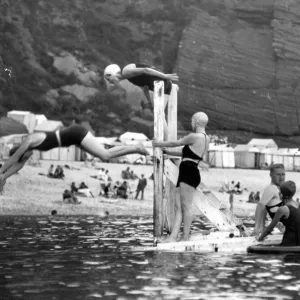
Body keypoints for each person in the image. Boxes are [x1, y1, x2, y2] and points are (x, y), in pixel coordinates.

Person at [0, 124, 149, 186]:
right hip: (73, 138)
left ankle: (136, 147)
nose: (27, 158)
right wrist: (4, 178)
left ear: (21, 151)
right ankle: (136, 148)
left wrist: (1, 172)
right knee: (105, 156)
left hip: (74, 134)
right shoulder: (29, 150)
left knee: (105, 154)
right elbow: (18, 164)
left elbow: (14, 159)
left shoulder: (29, 140)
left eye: (24, 156)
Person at [152, 112, 210, 242]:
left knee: (186, 206)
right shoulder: (206, 138)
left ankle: (185, 237)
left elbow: (175, 143)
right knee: (179, 206)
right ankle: (173, 237)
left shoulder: (194, 136)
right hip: (189, 172)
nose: (191, 123)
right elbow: (186, 152)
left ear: (196, 122)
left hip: (188, 172)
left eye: (191, 120)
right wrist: (168, 152)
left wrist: (158, 144)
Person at [104, 63, 179, 138]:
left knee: (159, 115)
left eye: (108, 79)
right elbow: (144, 88)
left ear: (112, 74)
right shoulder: (130, 77)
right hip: (166, 84)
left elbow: (145, 70)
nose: (110, 82)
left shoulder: (125, 72)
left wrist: (165, 76)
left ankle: (166, 141)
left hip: (158, 84)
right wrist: (149, 103)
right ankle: (168, 140)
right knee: (160, 114)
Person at [258, 181, 300, 246]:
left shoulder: (282, 209)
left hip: (288, 243)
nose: (278, 193)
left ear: (282, 195)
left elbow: (269, 229)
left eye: (279, 192)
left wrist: (258, 240)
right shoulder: (298, 205)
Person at [252, 163, 285, 236]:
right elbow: (260, 206)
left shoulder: (280, 189)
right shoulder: (271, 189)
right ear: (271, 175)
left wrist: (263, 228)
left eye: (283, 174)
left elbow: (264, 209)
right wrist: (257, 229)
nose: (281, 177)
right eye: (278, 174)